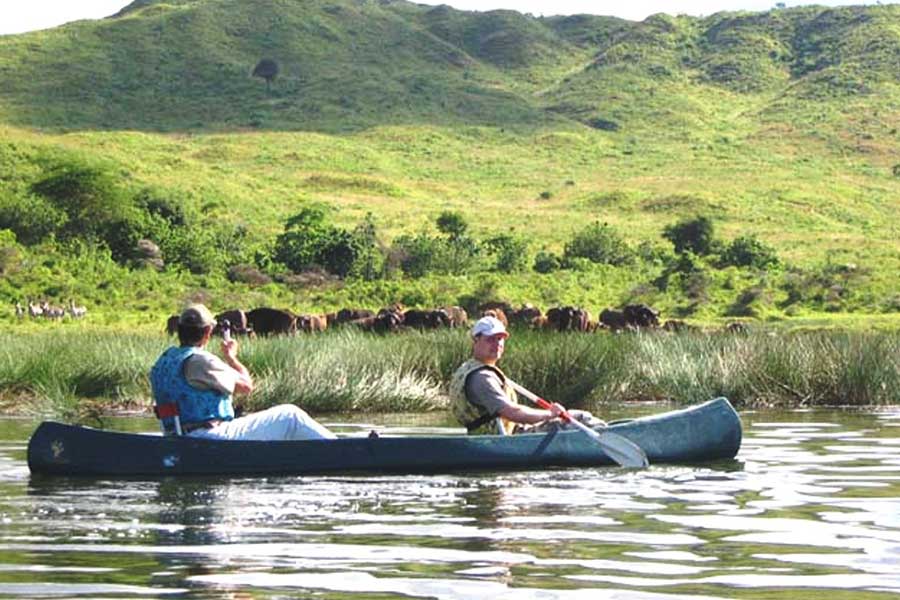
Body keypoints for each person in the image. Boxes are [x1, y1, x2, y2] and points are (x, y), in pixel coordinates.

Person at [150, 303, 336, 441]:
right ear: (207, 332)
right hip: (209, 437)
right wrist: (232, 358)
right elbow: (246, 386)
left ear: (180, 330)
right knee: (290, 415)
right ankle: (341, 449)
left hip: (175, 436)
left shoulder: (164, 360)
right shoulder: (201, 360)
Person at [450, 315, 598, 435]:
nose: (497, 344)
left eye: (500, 339)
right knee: (580, 417)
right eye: (490, 339)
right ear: (476, 340)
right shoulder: (483, 377)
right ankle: (611, 438)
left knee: (575, 417)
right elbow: (512, 412)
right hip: (505, 439)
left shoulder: (469, 368)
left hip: (488, 436)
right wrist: (550, 414)